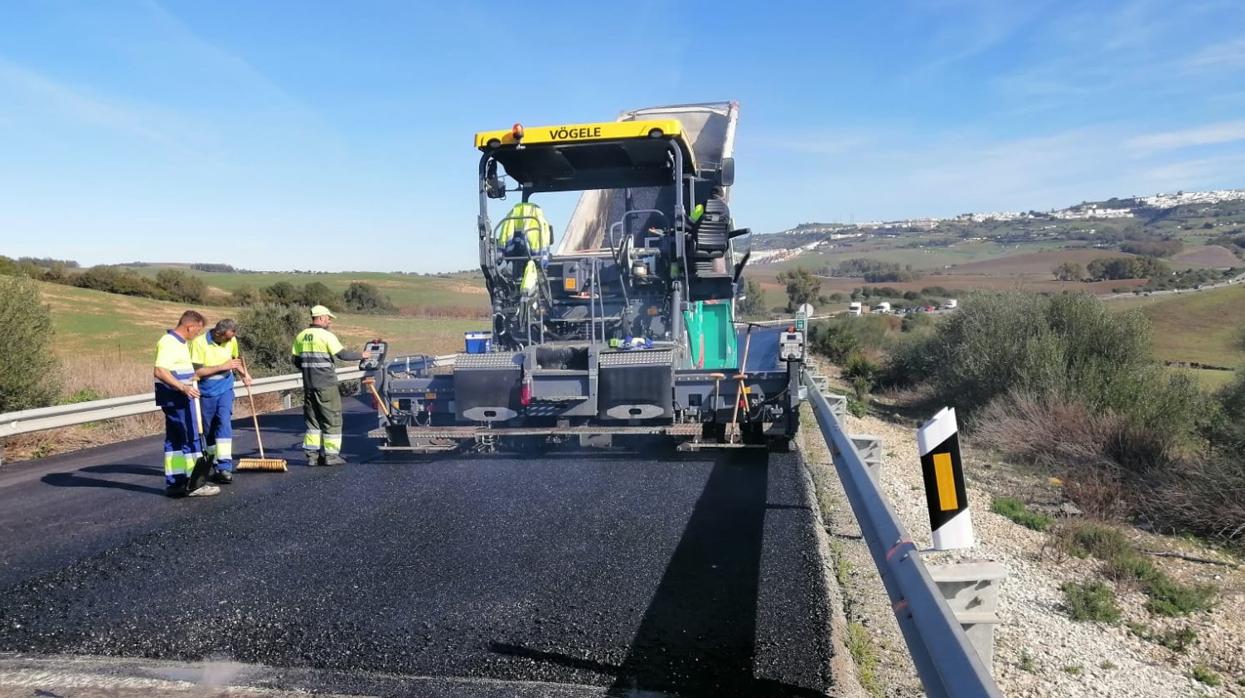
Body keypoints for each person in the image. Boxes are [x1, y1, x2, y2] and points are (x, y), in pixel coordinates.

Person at [291, 305, 369, 466]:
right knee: (332, 419)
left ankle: (312, 456)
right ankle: (331, 456)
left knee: (313, 422)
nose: (329, 321)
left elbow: (296, 361)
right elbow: (343, 355)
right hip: (326, 384)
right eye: (328, 318)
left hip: (309, 386)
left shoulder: (301, 336)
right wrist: (363, 355)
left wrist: (309, 370)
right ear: (320, 318)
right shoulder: (326, 336)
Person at [153, 310, 218, 498]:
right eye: (197, 331)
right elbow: (160, 371)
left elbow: (177, 369)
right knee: (191, 437)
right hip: (177, 397)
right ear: (190, 326)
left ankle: (175, 482)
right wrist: (183, 387)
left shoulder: (179, 343)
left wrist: (193, 377)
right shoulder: (169, 342)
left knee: (174, 440)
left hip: (176, 396)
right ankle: (196, 483)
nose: (196, 335)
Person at [190, 318, 253, 485]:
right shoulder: (199, 343)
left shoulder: (232, 340)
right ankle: (214, 463)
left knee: (223, 423)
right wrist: (222, 366)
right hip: (206, 391)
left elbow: (235, 360)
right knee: (209, 429)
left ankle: (225, 467)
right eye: (227, 338)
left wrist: (243, 374)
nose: (230, 340)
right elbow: (197, 372)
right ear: (218, 333)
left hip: (226, 388)